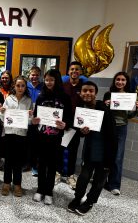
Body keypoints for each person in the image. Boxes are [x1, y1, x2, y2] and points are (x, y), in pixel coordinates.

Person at [67, 81, 117, 215]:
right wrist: (81, 132)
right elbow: (78, 131)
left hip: (104, 152)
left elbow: (113, 136)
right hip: (89, 151)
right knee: (83, 177)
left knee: (99, 180)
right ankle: (77, 198)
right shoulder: (81, 109)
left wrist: (110, 160)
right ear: (80, 93)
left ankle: (89, 202)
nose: (87, 93)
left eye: (91, 91)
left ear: (95, 93)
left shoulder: (105, 110)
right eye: (85, 91)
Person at [32, 69, 72, 205]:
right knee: (41, 164)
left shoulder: (65, 98)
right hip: (41, 137)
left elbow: (69, 118)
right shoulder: (41, 96)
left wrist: (64, 125)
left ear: (57, 81)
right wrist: (34, 120)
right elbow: (36, 116)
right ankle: (40, 189)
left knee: (52, 165)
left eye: (52, 80)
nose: (49, 82)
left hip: (56, 138)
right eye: (47, 80)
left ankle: (49, 191)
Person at [103, 72, 138, 195]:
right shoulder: (108, 94)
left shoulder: (131, 96)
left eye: (123, 80)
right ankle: (101, 180)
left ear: (126, 82)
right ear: (114, 81)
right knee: (105, 155)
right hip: (108, 127)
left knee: (118, 157)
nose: (120, 82)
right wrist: (105, 105)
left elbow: (129, 116)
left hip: (121, 128)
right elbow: (103, 113)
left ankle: (114, 185)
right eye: (117, 79)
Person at [0, 76, 32, 197]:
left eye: (23, 85)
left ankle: (17, 184)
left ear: (25, 87)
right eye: (18, 85)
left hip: (21, 134)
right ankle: (6, 183)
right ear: (14, 86)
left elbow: (30, 120)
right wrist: (2, 112)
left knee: (18, 161)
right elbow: (2, 117)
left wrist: (30, 116)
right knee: (8, 160)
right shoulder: (8, 99)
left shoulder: (28, 100)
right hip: (9, 133)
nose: (20, 88)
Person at [56, 61, 85, 189]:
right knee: (59, 149)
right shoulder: (62, 86)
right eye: (72, 69)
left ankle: (70, 175)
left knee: (73, 150)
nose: (74, 71)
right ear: (68, 72)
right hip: (62, 123)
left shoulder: (84, 87)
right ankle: (57, 173)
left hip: (76, 124)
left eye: (77, 69)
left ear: (80, 72)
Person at [27, 66, 44, 176]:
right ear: (29, 75)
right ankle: (26, 164)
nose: (35, 77)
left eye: (37, 75)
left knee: (36, 144)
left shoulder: (43, 87)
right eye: (33, 74)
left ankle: (34, 166)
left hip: (38, 119)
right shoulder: (25, 85)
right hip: (26, 118)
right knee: (25, 142)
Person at [0, 70, 13, 171]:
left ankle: (6, 160)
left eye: (7, 78)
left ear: (10, 79)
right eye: (3, 77)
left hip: (10, 119)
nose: (5, 79)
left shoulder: (13, 90)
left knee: (6, 140)